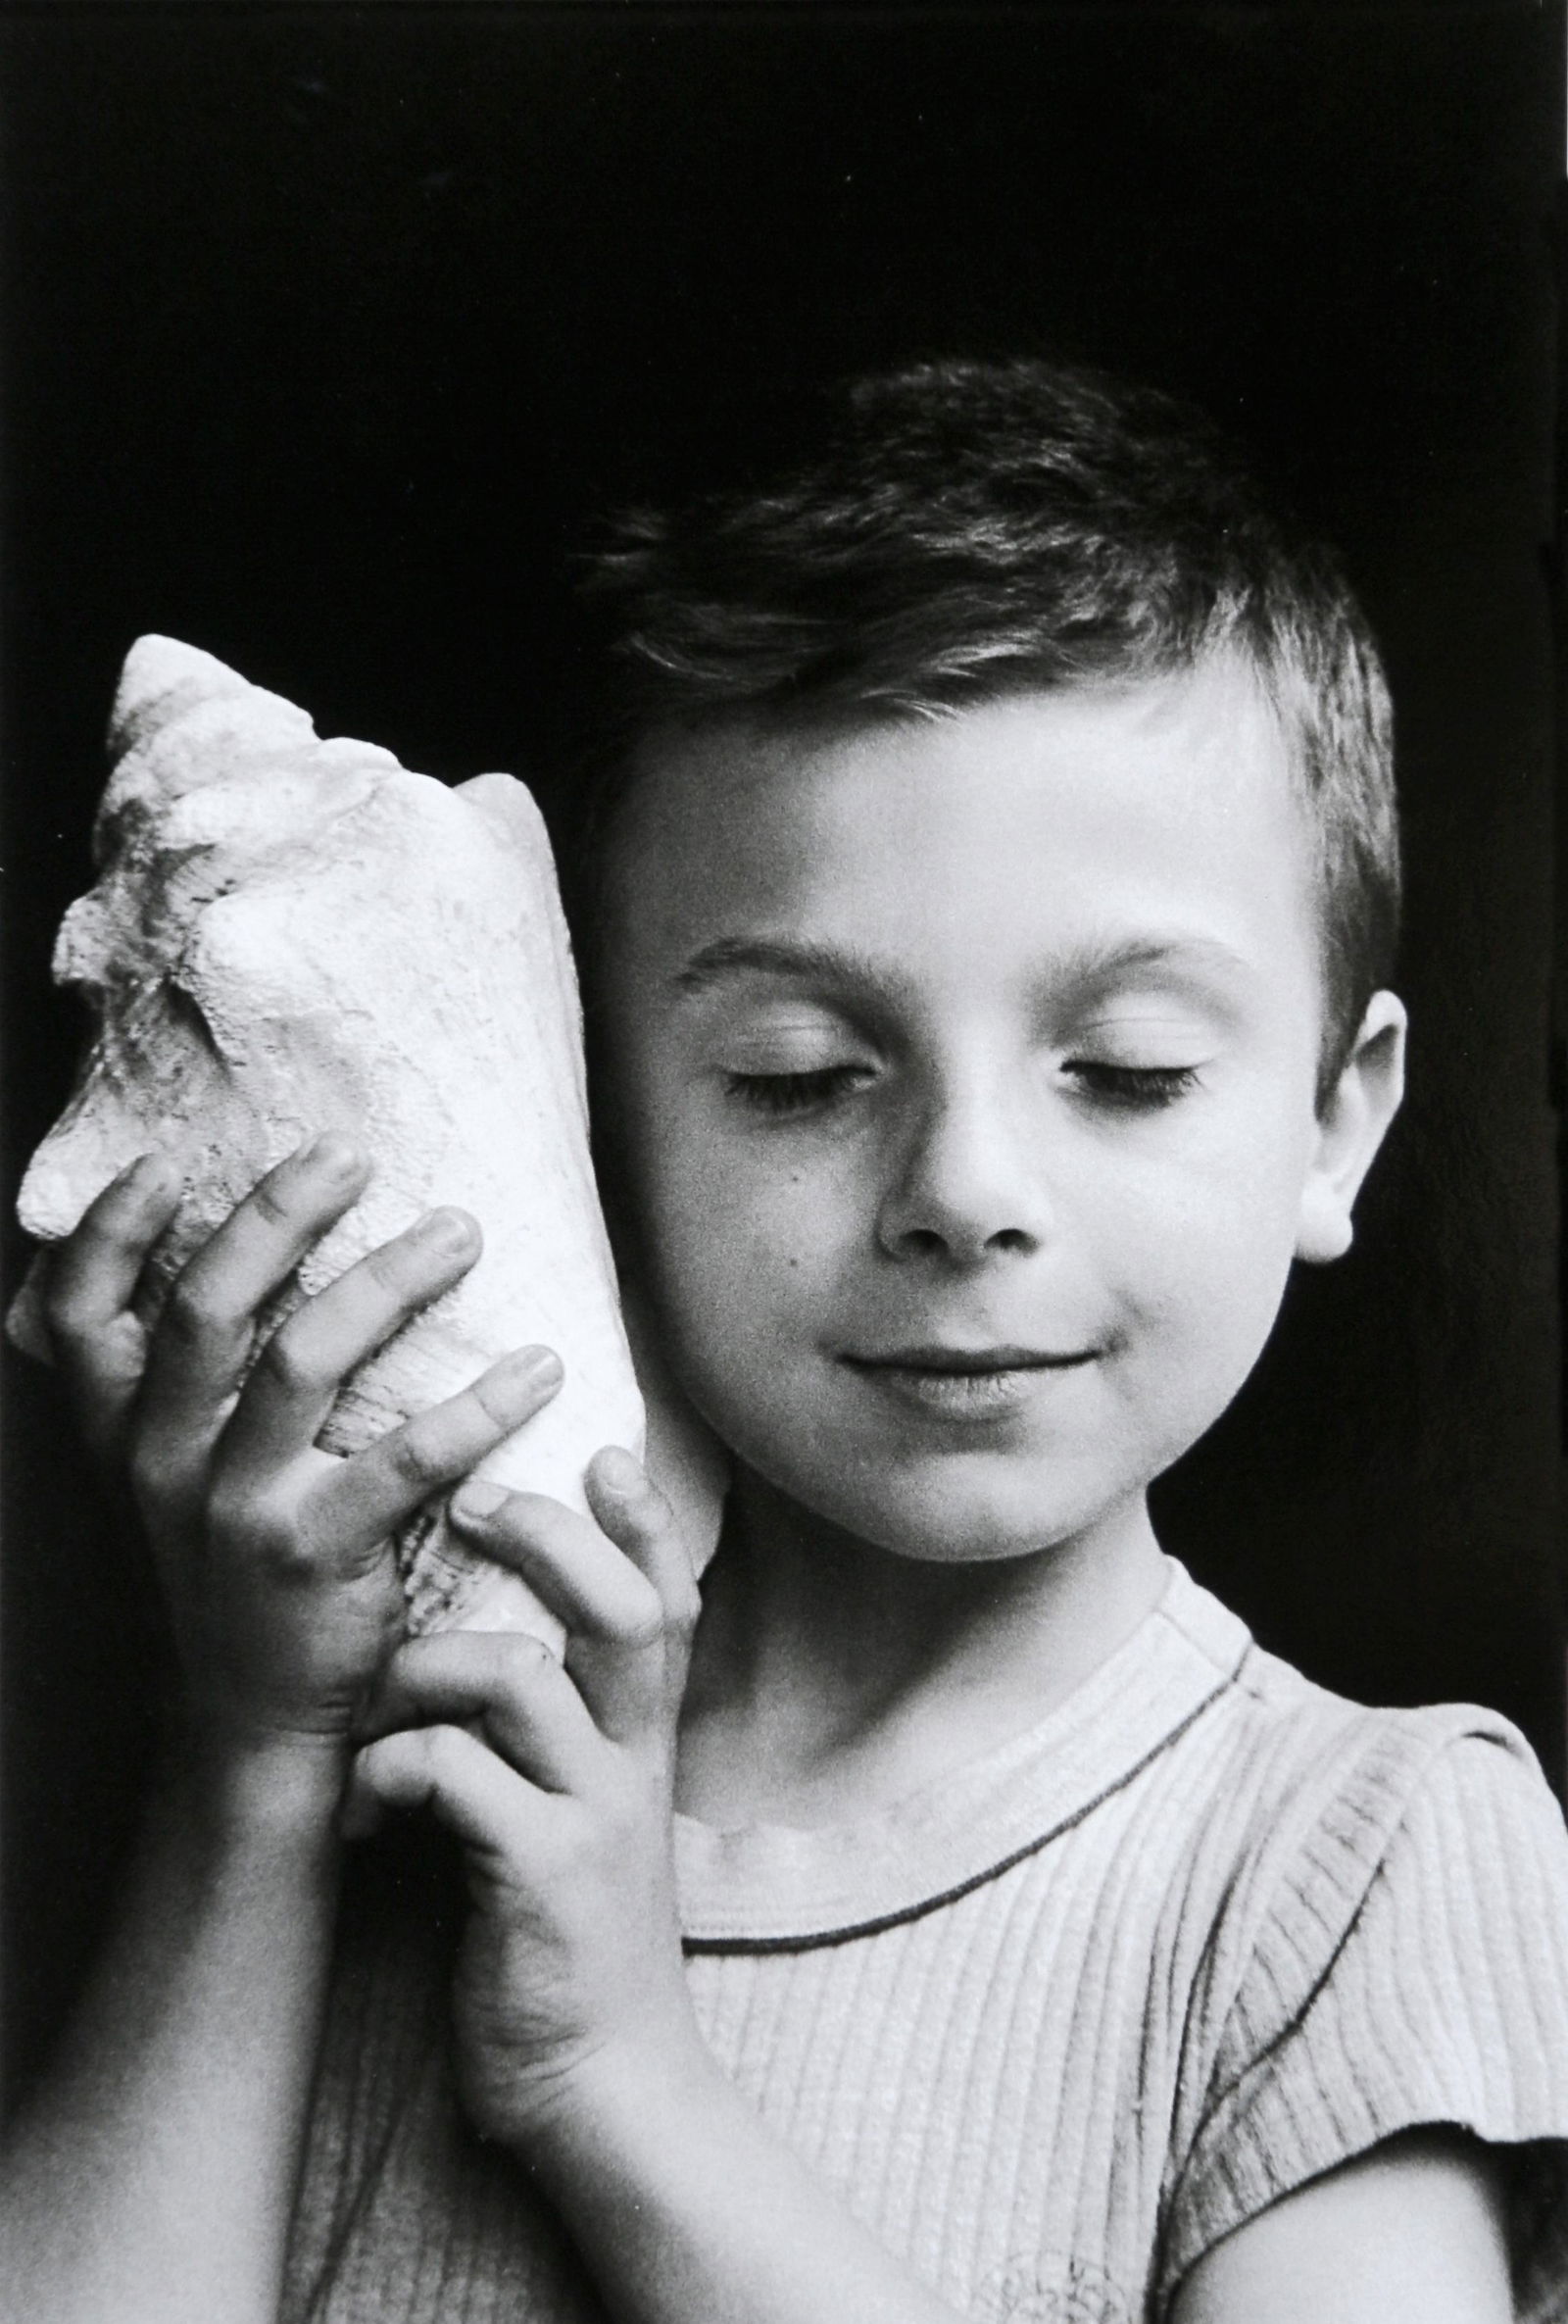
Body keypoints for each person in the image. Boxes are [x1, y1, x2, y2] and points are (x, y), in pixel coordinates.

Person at [4, 359, 1567, 2324]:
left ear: (1335, 1121)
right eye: (798, 1074)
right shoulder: (397, 1768)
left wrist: (621, 2082)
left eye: (1126, 1068)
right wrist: (250, 1762)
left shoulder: (1355, 1859)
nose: (963, 1187)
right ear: (593, 1108)